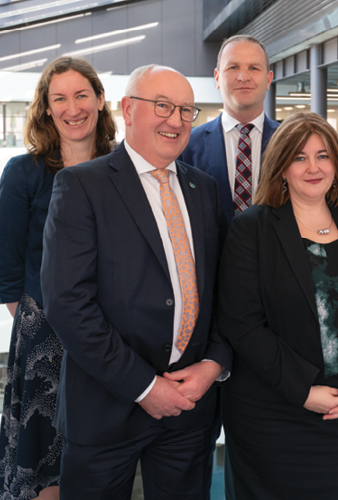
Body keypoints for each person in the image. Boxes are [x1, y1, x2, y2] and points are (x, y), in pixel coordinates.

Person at [40, 64, 231, 499]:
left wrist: (213, 363)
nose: (176, 120)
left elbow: (222, 290)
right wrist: (144, 386)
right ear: (128, 109)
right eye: (162, 106)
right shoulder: (80, 186)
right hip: (106, 407)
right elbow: (67, 303)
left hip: (189, 408)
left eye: (186, 110)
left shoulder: (205, 189)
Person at [217, 112, 338, 499]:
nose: (313, 167)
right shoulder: (252, 227)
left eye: (323, 155)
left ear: (337, 161)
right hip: (273, 413)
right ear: (281, 165)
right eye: (300, 157)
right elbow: (241, 323)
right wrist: (304, 391)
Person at [0, 56, 116, 500]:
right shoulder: (23, 172)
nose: (73, 107)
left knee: (97, 464)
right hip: (43, 342)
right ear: (47, 108)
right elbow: (8, 269)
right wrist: (46, 326)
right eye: (60, 98)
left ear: (100, 100)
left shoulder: (121, 169)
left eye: (82, 95)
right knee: (44, 467)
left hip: (108, 337)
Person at [180, 34, 280, 223]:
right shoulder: (187, 145)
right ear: (217, 78)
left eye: (253, 68)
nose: (243, 77)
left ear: (268, 79)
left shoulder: (290, 142)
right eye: (233, 67)